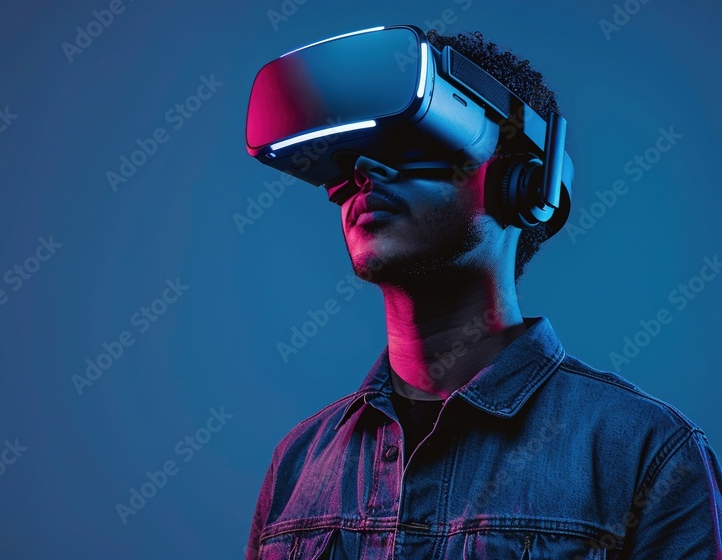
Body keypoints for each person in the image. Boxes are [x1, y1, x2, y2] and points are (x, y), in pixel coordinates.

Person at [245, 29, 722, 559]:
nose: (364, 174)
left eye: (410, 145)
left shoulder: (646, 453)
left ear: (524, 185)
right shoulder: (298, 465)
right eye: (347, 159)